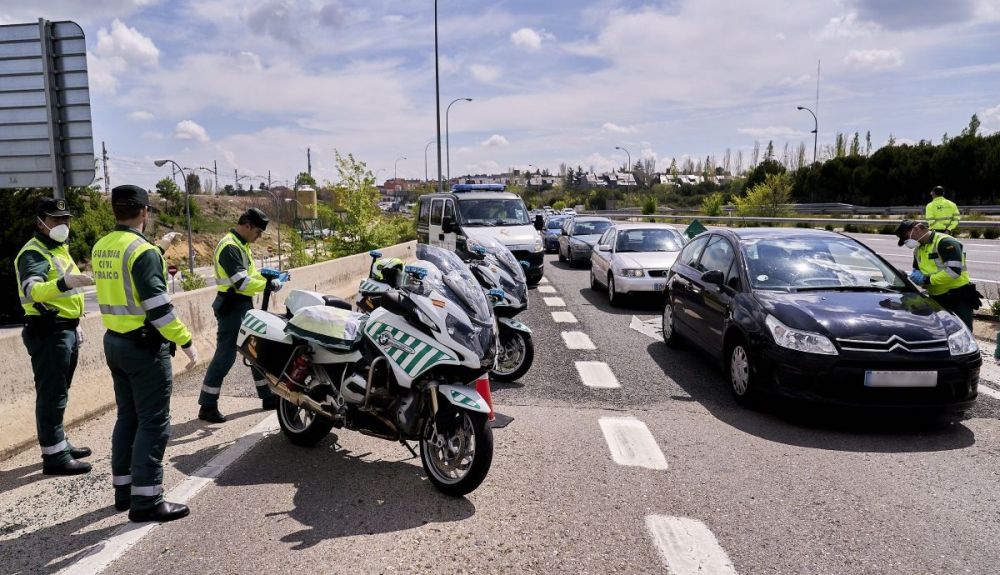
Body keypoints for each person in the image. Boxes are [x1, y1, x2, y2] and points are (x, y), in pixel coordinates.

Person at [93, 185, 199, 523]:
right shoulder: (143, 251)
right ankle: (147, 500)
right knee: (154, 422)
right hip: (142, 347)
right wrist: (185, 340)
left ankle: (123, 491)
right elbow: (158, 308)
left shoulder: (102, 246)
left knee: (128, 417)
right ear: (144, 212)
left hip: (114, 341)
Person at [14, 197, 94, 475]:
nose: (63, 224)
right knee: (51, 394)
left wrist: (74, 323)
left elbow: (67, 294)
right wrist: (64, 282)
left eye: (66, 219)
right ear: (40, 222)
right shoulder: (33, 253)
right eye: (56, 219)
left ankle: (59, 442)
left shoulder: (58, 249)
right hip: (48, 331)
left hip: (65, 328)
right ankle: (54, 458)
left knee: (60, 392)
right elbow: (32, 290)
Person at [198, 208, 281, 423]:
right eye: (258, 232)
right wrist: (268, 283)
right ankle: (207, 405)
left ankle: (267, 396)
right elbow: (242, 282)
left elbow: (251, 275)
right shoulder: (230, 247)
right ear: (246, 225)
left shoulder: (242, 245)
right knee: (226, 355)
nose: (259, 237)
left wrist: (267, 277)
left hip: (243, 305)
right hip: (232, 306)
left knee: (256, 350)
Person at [895, 220, 981, 330]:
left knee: (963, 332)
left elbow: (954, 271)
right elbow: (917, 269)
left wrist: (927, 280)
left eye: (906, 237)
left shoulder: (945, 242)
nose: (907, 241)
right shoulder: (918, 249)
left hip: (958, 298)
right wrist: (916, 275)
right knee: (941, 333)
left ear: (917, 229)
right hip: (936, 298)